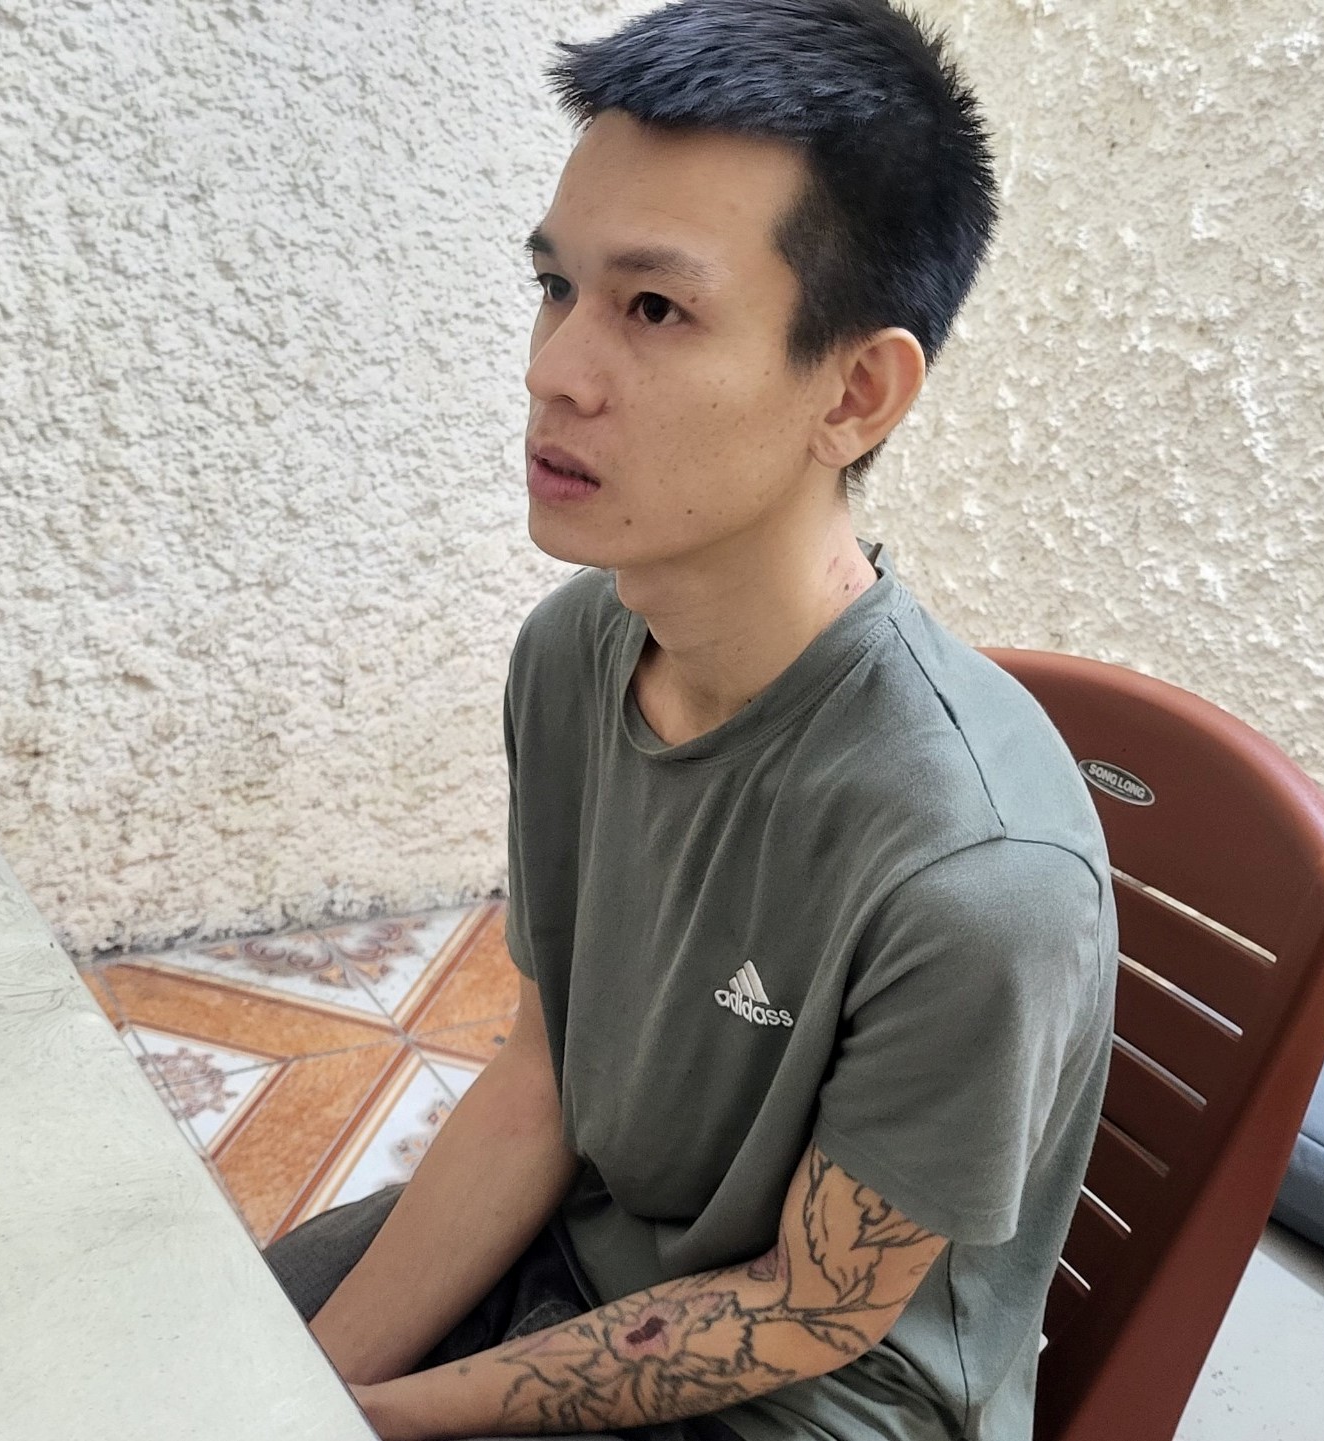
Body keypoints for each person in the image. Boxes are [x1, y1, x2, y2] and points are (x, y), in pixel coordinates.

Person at [264, 3, 1117, 1438]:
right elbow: (543, 1080)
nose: (554, 368)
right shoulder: (573, 653)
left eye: (653, 309)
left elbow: (809, 1307)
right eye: (556, 285)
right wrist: (304, 1396)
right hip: (585, 1255)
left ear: (854, 392)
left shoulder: (979, 875)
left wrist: (385, 1419)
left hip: (818, 1396)